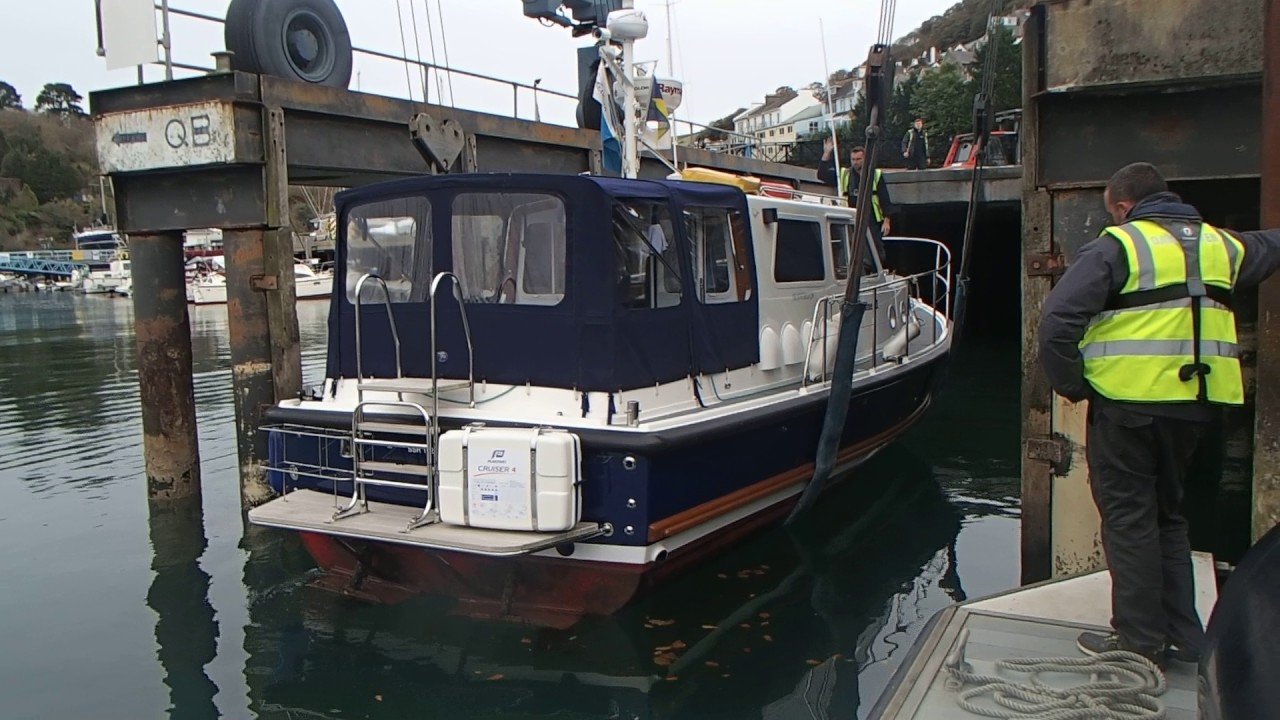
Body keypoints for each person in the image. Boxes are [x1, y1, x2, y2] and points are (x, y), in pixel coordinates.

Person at [1038, 161, 1280, 666]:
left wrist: (1074, 384)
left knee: (1129, 520)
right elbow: (1270, 247)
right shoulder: (1222, 244)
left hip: (1126, 408)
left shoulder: (1117, 246)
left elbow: (1058, 319)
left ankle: (1138, 640)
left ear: (1124, 207)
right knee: (1169, 519)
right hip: (1193, 409)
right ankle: (1186, 636)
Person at [817, 137, 895, 269]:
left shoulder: (875, 174)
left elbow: (884, 199)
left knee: (875, 247)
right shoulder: (844, 174)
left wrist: (887, 220)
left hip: (871, 216)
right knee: (850, 245)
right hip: (851, 215)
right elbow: (822, 175)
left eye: (859, 159)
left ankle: (877, 270)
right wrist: (827, 153)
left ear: (865, 159)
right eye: (853, 160)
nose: (856, 162)